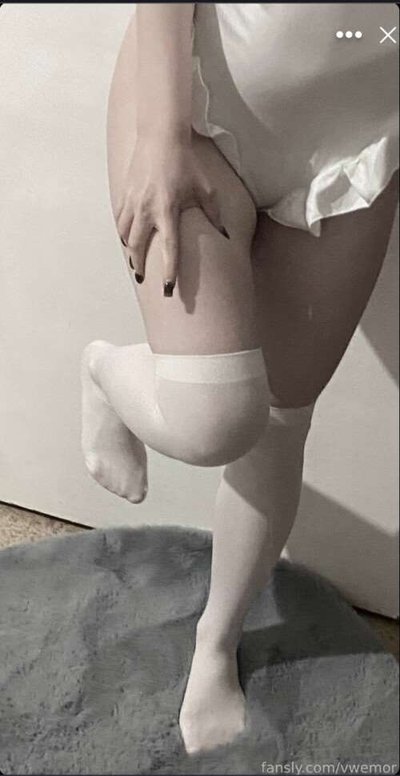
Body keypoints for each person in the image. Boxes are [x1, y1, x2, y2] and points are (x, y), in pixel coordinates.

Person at [81, 3, 399, 755]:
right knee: (214, 420)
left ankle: (216, 642)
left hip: (358, 156)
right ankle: (104, 369)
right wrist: (161, 134)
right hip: (194, 106)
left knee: (281, 422)